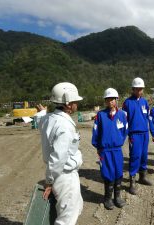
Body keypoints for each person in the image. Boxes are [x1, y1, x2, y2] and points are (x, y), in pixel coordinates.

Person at [35, 82, 83, 225]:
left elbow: (40, 120)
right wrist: (49, 181)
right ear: (68, 103)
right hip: (64, 176)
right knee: (66, 219)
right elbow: (58, 158)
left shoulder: (49, 118)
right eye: (75, 102)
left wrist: (42, 111)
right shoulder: (64, 125)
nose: (76, 104)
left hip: (60, 175)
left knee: (76, 207)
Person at [91, 88, 128, 210]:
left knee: (118, 173)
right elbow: (96, 132)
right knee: (108, 174)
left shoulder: (122, 115)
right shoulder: (100, 115)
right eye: (108, 99)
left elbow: (124, 131)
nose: (110, 101)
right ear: (105, 101)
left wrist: (119, 142)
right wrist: (98, 146)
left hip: (117, 150)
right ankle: (107, 198)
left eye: (112, 99)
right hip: (105, 150)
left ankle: (117, 197)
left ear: (117, 100)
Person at [122, 77, 152, 195]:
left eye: (141, 89)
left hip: (145, 133)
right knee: (135, 156)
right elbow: (125, 121)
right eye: (137, 89)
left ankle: (142, 176)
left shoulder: (145, 102)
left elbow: (147, 117)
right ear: (133, 89)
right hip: (134, 134)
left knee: (144, 156)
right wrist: (128, 134)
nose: (140, 91)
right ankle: (132, 181)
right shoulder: (127, 103)